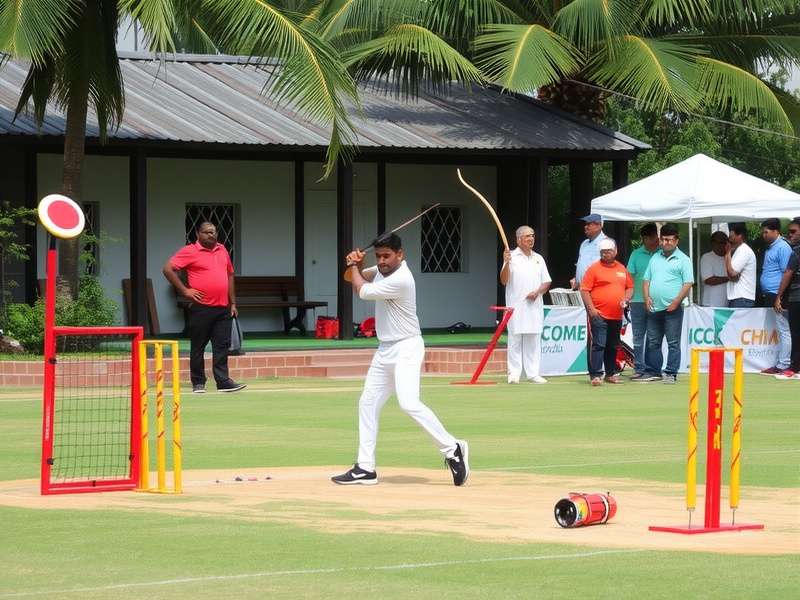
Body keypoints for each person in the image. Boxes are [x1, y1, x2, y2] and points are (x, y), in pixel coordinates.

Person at [332, 234, 469, 486]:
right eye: (379, 256)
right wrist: (357, 264)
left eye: (387, 256)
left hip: (407, 347)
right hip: (385, 349)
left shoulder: (402, 279)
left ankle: (453, 448)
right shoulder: (383, 270)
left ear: (400, 255)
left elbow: (362, 290)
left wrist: (354, 266)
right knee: (367, 403)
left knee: (409, 403)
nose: (382, 261)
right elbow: (350, 278)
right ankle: (365, 467)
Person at [163, 222, 246, 394]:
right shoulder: (190, 251)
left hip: (223, 307)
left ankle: (223, 382)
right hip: (202, 307)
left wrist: (233, 303)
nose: (211, 235)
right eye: (207, 232)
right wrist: (185, 290)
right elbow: (168, 269)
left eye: (214, 232)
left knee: (222, 346)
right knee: (198, 346)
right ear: (198, 234)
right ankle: (198, 383)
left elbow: (230, 275)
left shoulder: (222, 249)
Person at [638, 224, 694, 384]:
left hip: (673, 308)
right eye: (663, 239)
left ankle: (671, 373)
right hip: (654, 307)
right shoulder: (655, 257)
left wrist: (676, 302)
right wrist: (646, 297)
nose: (665, 242)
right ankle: (654, 371)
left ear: (676, 240)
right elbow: (646, 280)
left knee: (673, 342)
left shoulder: (683, 259)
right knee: (653, 341)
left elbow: (688, 283)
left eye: (669, 240)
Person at [500, 226, 552, 384]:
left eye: (532, 236)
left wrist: (537, 292)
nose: (531, 239)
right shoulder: (511, 256)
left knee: (533, 338)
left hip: (534, 306)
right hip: (516, 306)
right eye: (527, 236)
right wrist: (506, 262)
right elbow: (503, 280)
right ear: (519, 240)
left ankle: (533, 373)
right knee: (515, 339)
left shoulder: (538, 258)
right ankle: (514, 374)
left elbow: (547, 281)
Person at [580, 238, 634, 386]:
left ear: (615, 251)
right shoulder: (594, 269)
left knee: (612, 345)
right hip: (599, 314)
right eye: (603, 252)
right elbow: (585, 290)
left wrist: (626, 298)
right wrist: (591, 309)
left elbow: (630, 287)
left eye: (608, 251)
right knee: (598, 344)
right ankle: (595, 375)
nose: (605, 254)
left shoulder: (622, 269)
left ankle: (610, 373)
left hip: (616, 315)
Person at [759, 218, 793, 375]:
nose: (763, 235)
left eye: (766, 232)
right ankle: (781, 362)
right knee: (779, 330)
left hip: (777, 294)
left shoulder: (783, 248)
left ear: (775, 231)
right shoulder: (771, 247)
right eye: (763, 232)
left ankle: (784, 364)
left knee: (783, 330)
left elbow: (787, 273)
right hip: (771, 293)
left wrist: (780, 296)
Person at [626, 223, 659, 380]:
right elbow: (629, 278)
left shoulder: (662, 254)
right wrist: (627, 297)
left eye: (655, 236)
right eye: (651, 237)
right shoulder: (636, 254)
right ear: (644, 238)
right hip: (637, 300)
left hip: (657, 301)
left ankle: (653, 369)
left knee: (654, 336)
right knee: (638, 337)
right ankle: (639, 368)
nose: (655, 240)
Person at [773, 218, 800, 380]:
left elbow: (788, 273)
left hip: (797, 297)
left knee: (796, 333)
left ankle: (794, 368)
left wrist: (778, 296)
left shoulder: (796, 251)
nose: (790, 235)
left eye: (793, 231)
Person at [572, 213, 607, 290]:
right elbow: (581, 264)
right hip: (581, 288)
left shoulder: (606, 243)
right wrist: (576, 278)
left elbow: (608, 268)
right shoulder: (584, 243)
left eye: (588, 224)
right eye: (585, 224)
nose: (585, 227)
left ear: (599, 226)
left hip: (596, 289)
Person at [725, 222, 757, 308]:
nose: (729, 240)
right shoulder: (740, 250)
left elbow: (732, 274)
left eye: (731, 237)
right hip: (739, 297)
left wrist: (727, 253)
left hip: (741, 298)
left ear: (740, 236)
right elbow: (732, 276)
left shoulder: (744, 250)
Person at [700, 231, 730, 307]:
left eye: (725, 242)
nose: (724, 245)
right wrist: (729, 278)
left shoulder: (729, 258)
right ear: (713, 244)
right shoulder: (706, 257)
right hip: (710, 304)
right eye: (721, 242)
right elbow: (709, 280)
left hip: (727, 304)